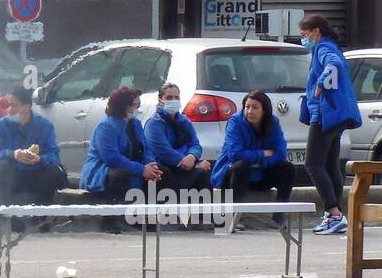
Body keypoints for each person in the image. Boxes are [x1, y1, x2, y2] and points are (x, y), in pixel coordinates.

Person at [299, 14, 361, 235]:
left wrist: (320, 85)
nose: (303, 38)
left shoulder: (323, 49)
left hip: (325, 114)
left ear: (316, 31)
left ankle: (333, 213)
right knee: (330, 164)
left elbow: (332, 66)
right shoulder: (332, 47)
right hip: (337, 114)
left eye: (304, 34)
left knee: (313, 164)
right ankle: (337, 215)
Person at [80, 86, 162, 230]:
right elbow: (112, 158)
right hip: (103, 171)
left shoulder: (135, 123)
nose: (137, 108)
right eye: (135, 105)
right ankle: (109, 220)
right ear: (123, 106)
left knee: (159, 172)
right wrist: (141, 169)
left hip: (133, 165)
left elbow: (145, 147)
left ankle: (141, 216)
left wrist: (151, 164)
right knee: (121, 174)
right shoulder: (106, 126)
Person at [210, 90, 295, 225]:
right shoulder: (235, 122)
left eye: (255, 107)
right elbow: (235, 155)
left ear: (264, 110)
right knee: (241, 166)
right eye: (247, 107)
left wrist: (259, 163)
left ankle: (278, 217)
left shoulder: (273, 122)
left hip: (260, 175)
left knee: (287, 168)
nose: (250, 111)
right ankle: (232, 219)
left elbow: (280, 154)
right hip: (233, 176)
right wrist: (263, 154)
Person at [0, 84, 65, 203]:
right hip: (14, 175)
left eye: (14, 106)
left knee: (53, 171)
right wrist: (13, 154)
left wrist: (39, 158)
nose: (9, 110)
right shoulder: (0, 126)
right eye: (8, 106)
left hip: (37, 173)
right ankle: (12, 214)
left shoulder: (44, 125)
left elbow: (54, 156)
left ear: (27, 106)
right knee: (0, 168)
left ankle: (43, 214)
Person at [143, 82, 211, 192]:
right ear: (160, 100)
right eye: (169, 98)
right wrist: (193, 165)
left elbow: (195, 144)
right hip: (166, 166)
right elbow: (164, 152)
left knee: (205, 170)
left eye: (176, 97)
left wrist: (192, 156)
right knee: (165, 173)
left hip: (187, 163)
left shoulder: (184, 121)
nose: (173, 100)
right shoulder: (153, 124)